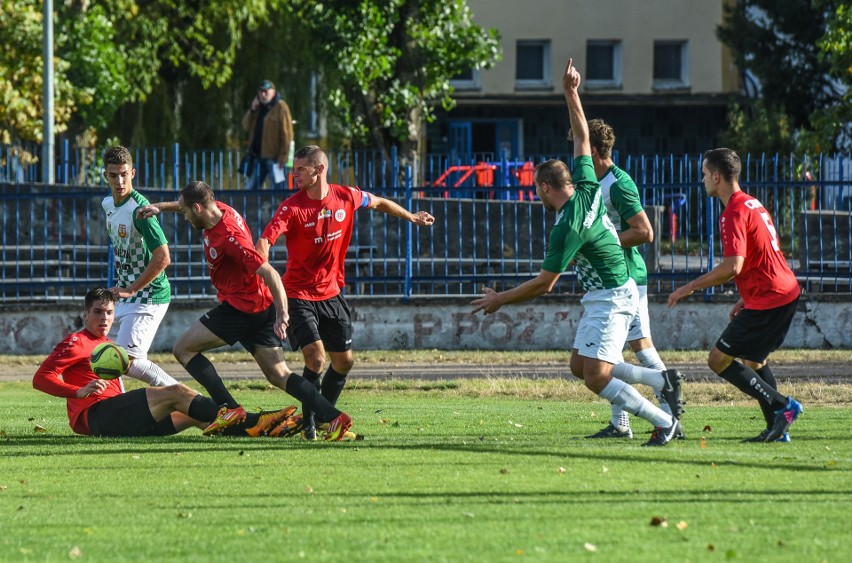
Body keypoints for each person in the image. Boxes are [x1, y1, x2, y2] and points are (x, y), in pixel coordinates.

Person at [470, 58, 682, 446]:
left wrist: (500, 298)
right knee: (579, 366)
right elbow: (583, 137)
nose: (535, 196)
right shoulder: (586, 184)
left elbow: (545, 284)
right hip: (605, 293)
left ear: (548, 188)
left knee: (597, 375)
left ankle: (662, 421)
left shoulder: (566, 226)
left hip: (612, 296)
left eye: (535, 190)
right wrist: (571, 93)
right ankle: (657, 378)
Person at [137, 181, 352, 440]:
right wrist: (161, 207)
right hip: (258, 308)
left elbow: (270, 272)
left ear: (197, 209)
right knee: (279, 374)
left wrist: (284, 314)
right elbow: (190, 203)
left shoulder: (231, 238)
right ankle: (335, 417)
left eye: (184, 212)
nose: (183, 217)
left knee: (183, 349)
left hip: (242, 308)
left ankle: (230, 408)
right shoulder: (219, 210)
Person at [256, 145, 436, 439]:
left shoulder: (346, 196)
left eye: (301, 169)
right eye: (294, 169)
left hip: (331, 293)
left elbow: (378, 202)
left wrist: (411, 216)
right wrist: (260, 260)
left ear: (320, 169)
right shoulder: (292, 207)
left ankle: (327, 418)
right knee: (316, 358)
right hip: (298, 293)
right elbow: (266, 240)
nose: (295, 174)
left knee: (345, 361)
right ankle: (311, 423)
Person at [668, 148, 803, 442]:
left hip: (771, 297)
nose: (702, 180)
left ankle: (783, 407)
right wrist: (747, 296)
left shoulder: (733, 212)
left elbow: (733, 266)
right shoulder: (754, 204)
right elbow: (764, 254)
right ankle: (776, 430)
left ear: (716, 177)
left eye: (704, 174)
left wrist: (688, 287)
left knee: (718, 360)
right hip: (783, 292)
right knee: (754, 360)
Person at [32, 288, 294, 437]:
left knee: (193, 413)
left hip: (120, 419)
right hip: (97, 416)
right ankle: (254, 420)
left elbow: (135, 369)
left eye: (109, 313)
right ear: (85, 314)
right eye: (97, 312)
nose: (104, 318)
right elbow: (41, 378)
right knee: (179, 392)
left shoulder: (108, 346)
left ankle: (264, 430)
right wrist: (77, 391)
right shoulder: (76, 342)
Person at [582, 119, 685, 440]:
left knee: (641, 346)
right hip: (611, 279)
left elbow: (645, 231)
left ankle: (669, 416)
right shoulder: (593, 181)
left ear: (595, 151)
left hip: (628, 278)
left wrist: (600, 242)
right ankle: (620, 424)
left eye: (582, 148)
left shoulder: (618, 184)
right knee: (608, 354)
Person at [101, 145, 179, 388]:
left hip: (149, 295)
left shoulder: (140, 210)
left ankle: (193, 402)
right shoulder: (108, 205)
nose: (120, 181)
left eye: (124, 174)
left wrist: (132, 288)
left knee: (128, 362)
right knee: (103, 357)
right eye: (113, 175)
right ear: (105, 176)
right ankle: (115, 411)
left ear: (133, 173)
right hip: (127, 296)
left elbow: (163, 258)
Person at [242, 79, 294, 190]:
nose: (263, 94)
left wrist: (283, 157)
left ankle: (275, 208)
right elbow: (246, 126)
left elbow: (287, 134)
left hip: (275, 160)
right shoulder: (258, 108)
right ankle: (251, 208)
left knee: (277, 191)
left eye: (266, 91)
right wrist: (252, 109)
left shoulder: (281, 107)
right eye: (261, 91)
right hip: (258, 157)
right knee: (250, 190)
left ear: (273, 93)